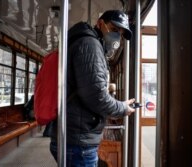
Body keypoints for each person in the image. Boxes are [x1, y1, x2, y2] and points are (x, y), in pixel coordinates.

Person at [50, 10, 135, 166]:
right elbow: (96, 96)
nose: (117, 37)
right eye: (114, 29)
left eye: (120, 34)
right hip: (78, 142)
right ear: (100, 23)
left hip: (73, 136)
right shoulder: (90, 45)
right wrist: (122, 107)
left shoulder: (86, 43)